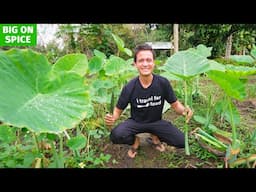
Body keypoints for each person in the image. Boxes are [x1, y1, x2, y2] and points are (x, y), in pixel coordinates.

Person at [105, 44, 193, 158]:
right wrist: (112, 118)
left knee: (181, 141)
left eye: (148, 60)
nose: (145, 64)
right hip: (136, 122)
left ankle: (154, 136)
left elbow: (175, 104)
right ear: (135, 64)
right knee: (116, 135)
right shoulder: (130, 86)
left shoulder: (163, 83)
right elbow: (118, 110)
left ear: (154, 63)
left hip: (156, 122)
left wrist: (184, 111)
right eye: (141, 60)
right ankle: (135, 141)